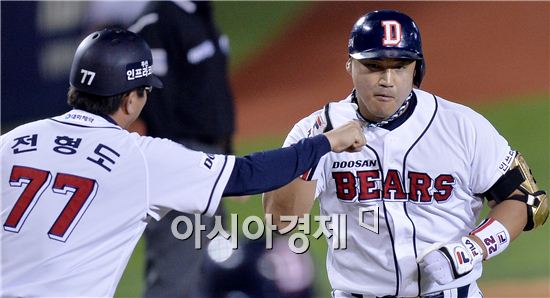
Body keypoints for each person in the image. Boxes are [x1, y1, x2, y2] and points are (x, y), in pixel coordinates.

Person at [0, 28, 366, 297]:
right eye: (145, 92)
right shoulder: (140, 158)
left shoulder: (13, 141)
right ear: (130, 101)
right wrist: (327, 141)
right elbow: (249, 174)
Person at [263, 9, 548, 298]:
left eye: (399, 66)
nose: (387, 79)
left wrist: (473, 248)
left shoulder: (462, 126)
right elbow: (280, 223)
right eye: (374, 65)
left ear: (416, 69)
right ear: (350, 66)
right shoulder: (317, 130)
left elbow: (527, 201)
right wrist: (314, 149)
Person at [127, 2, 237, 296]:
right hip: (181, 167)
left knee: (217, 271)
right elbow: (155, 102)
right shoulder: (155, 20)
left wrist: (228, 161)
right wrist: (181, 170)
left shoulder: (200, 12)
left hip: (211, 163)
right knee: (176, 280)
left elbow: (213, 95)